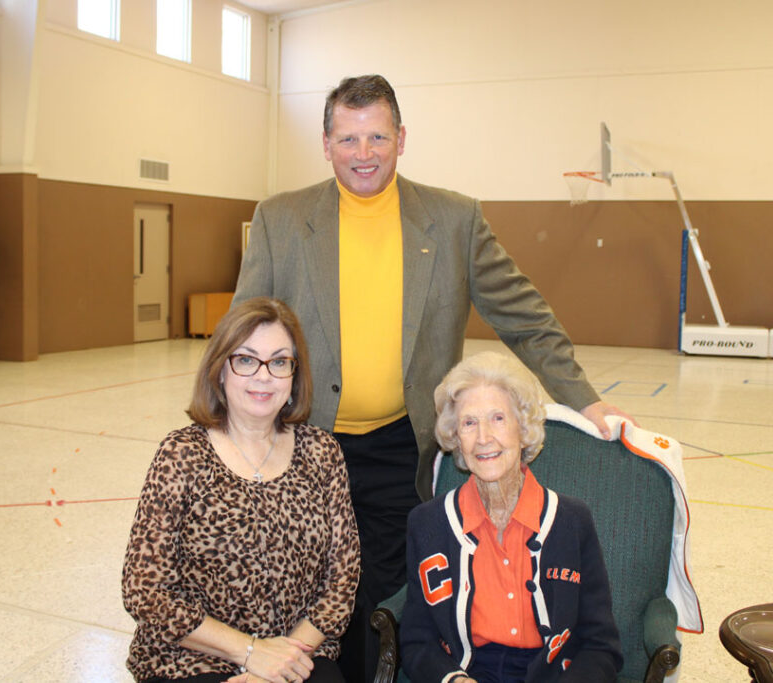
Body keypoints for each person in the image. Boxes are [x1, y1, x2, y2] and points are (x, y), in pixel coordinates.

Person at [232, 74, 632, 680]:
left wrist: (587, 400)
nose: (363, 153)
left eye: (377, 137)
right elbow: (242, 331)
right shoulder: (279, 220)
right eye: (348, 139)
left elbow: (524, 316)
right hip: (302, 443)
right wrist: (222, 425)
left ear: (401, 138)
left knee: (386, 596)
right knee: (301, 587)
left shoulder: (453, 221)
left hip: (401, 447)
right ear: (325, 143)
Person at [122, 297, 361, 683]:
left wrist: (280, 662)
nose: (264, 376)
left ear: (294, 376)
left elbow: (342, 582)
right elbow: (144, 590)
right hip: (191, 658)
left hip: (298, 654)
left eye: (280, 362)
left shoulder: (322, 453)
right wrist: (250, 653)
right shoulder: (182, 454)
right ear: (220, 370)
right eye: (246, 360)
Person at [400, 352, 622, 683]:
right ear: (456, 438)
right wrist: (453, 680)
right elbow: (417, 642)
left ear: (523, 427)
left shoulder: (571, 522)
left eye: (498, 418)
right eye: (469, 423)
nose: (484, 437)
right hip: (468, 672)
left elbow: (602, 647)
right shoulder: (429, 524)